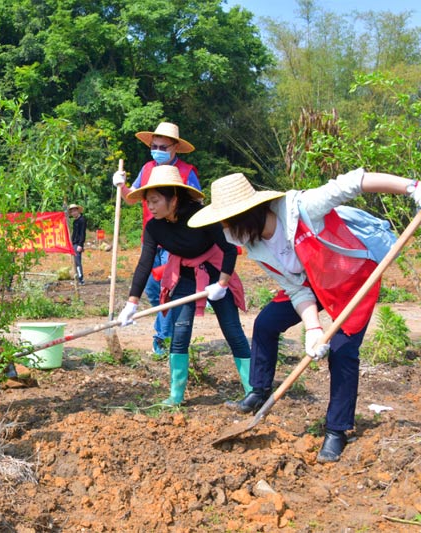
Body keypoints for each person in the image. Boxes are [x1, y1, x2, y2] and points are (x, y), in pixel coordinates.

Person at [187, 169, 421, 463]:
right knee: (266, 323)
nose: (224, 230)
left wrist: (411, 187)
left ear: (246, 215)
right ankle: (259, 390)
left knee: (342, 350)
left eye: (226, 222)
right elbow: (296, 290)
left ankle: (337, 430)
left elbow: (353, 183)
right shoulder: (256, 245)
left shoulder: (302, 209)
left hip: (348, 274)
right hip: (309, 279)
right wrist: (312, 328)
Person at [115, 165, 251, 406]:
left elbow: (230, 250)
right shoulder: (154, 227)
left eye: (156, 201)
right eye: (148, 202)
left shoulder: (202, 216)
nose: (151, 207)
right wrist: (131, 303)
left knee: (233, 332)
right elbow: (145, 263)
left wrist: (221, 283)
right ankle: (175, 397)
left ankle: (253, 391)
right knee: (179, 334)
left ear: (174, 199)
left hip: (216, 270)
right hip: (186, 275)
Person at [113, 122, 201, 357]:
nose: (158, 150)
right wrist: (121, 186)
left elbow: (196, 206)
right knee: (153, 289)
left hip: (176, 243)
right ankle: (167, 333)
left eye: (163, 146)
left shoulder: (187, 172)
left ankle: (163, 338)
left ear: (175, 147)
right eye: (154, 146)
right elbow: (132, 198)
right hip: (152, 238)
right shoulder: (147, 169)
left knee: (168, 290)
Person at [68, 203, 87, 285]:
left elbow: (82, 233)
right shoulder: (75, 221)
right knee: (75, 262)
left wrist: (80, 245)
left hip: (78, 244)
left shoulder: (82, 220)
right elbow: (74, 233)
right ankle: (77, 278)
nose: (73, 213)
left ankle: (81, 279)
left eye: (75, 211)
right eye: (72, 212)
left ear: (78, 211)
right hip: (74, 243)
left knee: (78, 262)